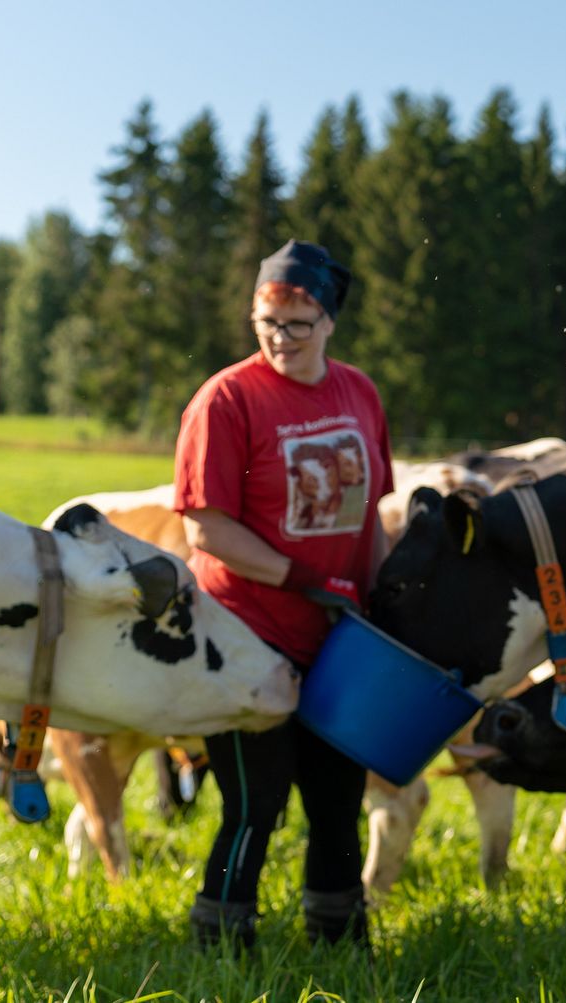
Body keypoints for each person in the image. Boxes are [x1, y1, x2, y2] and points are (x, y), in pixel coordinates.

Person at [173, 239, 392, 950]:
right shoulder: (226, 399)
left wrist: (376, 599)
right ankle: (222, 939)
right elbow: (205, 527)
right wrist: (301, 577)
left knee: (337, 802)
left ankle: (340, 931)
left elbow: (370, 513)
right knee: (253, 803)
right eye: (266, 321)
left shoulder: (358, 391)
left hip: (340, 637)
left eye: (298, 323)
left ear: (329, 321)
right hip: (247, 631)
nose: (280, 338)